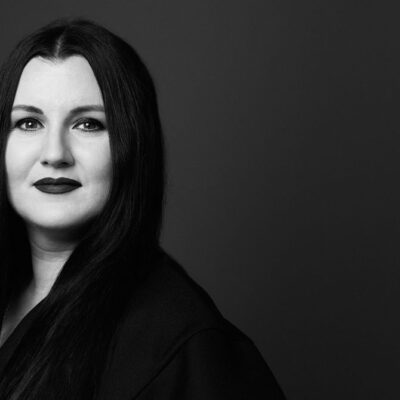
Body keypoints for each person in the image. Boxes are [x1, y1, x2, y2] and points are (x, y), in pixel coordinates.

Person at [0, 18, 286, 399]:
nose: (54, 154)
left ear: (132, 143)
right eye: (28, 122)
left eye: (88, 124)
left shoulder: (179, 340)